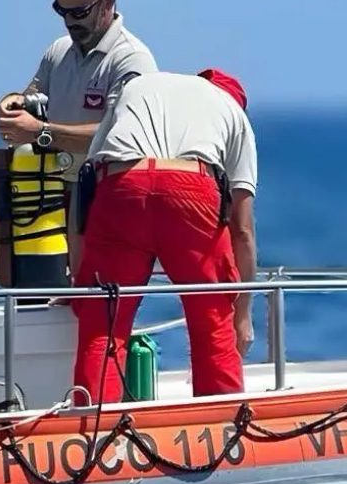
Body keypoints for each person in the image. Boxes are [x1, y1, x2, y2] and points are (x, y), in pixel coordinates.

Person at [70, 68, 257, 405]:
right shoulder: (233, 114)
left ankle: (92, 436)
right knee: (213, 322)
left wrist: (80, 280)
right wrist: (242, 313)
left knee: (103, 328)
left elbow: (87, 185)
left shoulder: (139, 86)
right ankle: (222, 429)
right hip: (191, 189)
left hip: (122, 185)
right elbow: (242, 230)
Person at [0, 0, 158, 275]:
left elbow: (118, 139)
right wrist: (13, 104)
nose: (70, 21)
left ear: (108, 1)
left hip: (107, 202)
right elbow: (32, 96)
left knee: (99, 297)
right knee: (51, 297)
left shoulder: (131, 60)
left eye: (80, 11)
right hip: (55, 197)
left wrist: (40, 133)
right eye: (61, 11)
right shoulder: (58, 52)